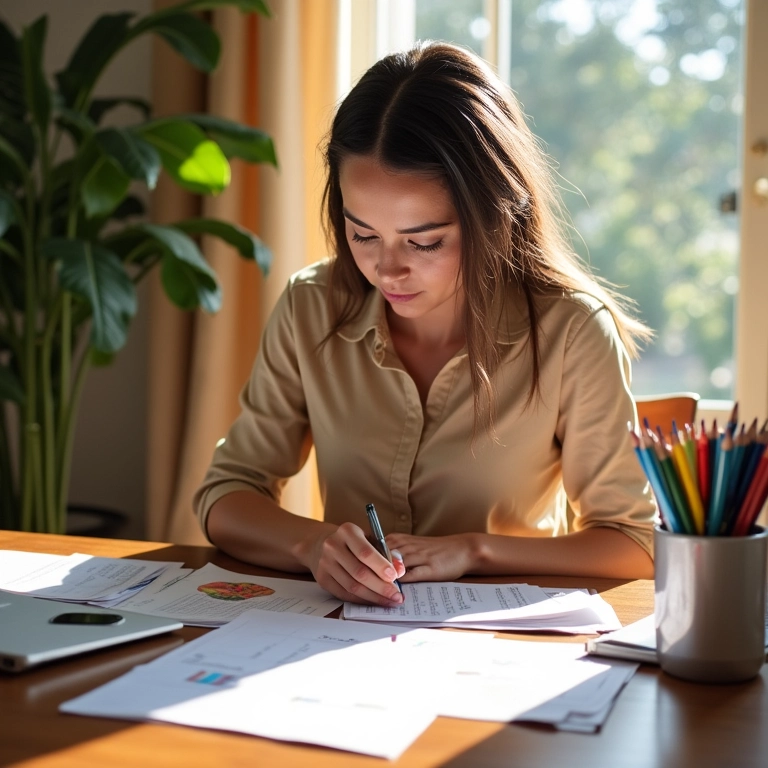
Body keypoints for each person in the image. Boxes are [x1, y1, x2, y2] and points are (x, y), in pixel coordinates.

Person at [193, 41, 656, 608]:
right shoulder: (311, 305)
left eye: (424, 241)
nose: (387, 269)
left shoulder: (571, 331)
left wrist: (473, 551)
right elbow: (227, 493)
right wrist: (311, 546)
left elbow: (634, 543)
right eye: (363, 234)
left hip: (507, 652)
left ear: (493, 216)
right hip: (336, 642)